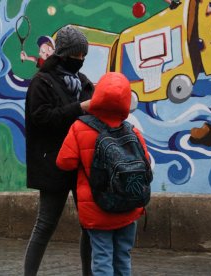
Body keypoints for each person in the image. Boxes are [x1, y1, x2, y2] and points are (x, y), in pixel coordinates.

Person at [56, 72, 150, 275]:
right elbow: (147, 164)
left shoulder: (79, 128)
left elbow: (64, 162)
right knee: (123, 257)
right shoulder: (132, 131)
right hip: (128, 207)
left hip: (97, 209)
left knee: (102, 258)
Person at [24, 25, 94, 276]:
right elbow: (42, 118)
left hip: (82, 164)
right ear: (63, 53)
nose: (81, 60)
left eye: (84, 56)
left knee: (89, 225)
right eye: (76, 56)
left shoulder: (84, 83)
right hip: (53, 164)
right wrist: (80, 108)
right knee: (45, 225)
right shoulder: (41, 82)